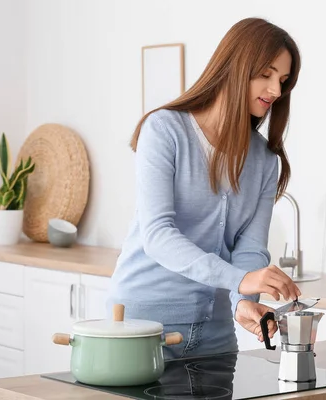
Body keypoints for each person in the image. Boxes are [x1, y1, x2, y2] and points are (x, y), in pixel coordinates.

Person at [107, 17, 302, 360]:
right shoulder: (165, 130)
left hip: (215, 332)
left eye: (283, 81)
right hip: (142, 326)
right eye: (266, 74)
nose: (275, 90)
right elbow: (157, 234)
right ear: (235, 66)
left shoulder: (264, 160)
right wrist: (240, 280)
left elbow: (251, 247)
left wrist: (243, 302)